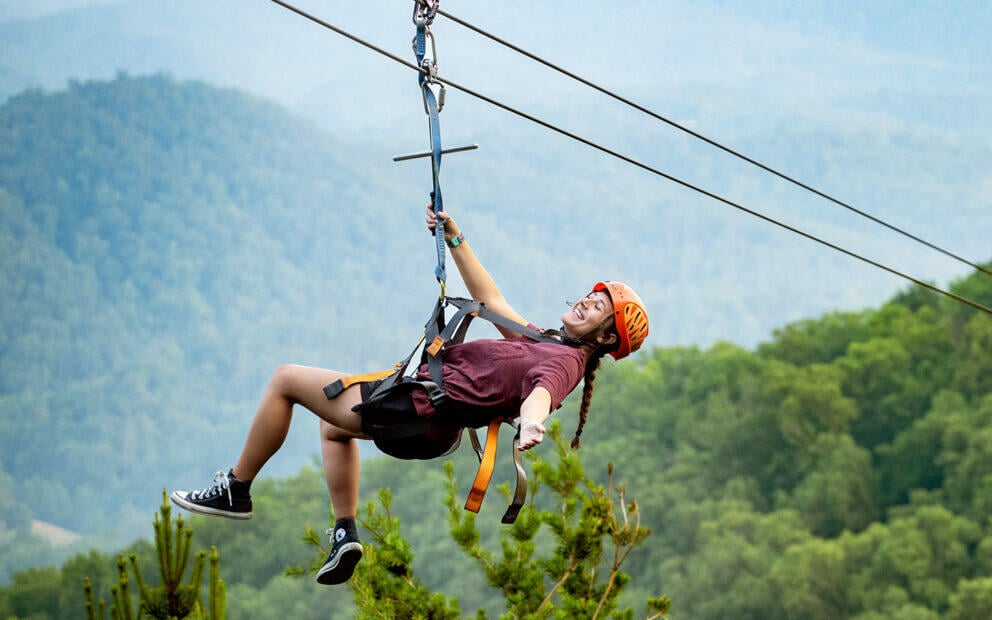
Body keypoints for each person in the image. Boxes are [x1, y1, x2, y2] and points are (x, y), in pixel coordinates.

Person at [170, 206, 649, 585]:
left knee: (284, 380)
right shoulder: (546, 343)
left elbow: (543, 393)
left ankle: (236, 489)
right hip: (428, 416)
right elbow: (491, 302)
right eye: (592, 295)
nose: (587, 301)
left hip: (414, 407)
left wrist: (533, 422)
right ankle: (345, 534)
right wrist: (455, 238)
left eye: (599, 307)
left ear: (606, 339)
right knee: (333, 428)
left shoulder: (565, 362)